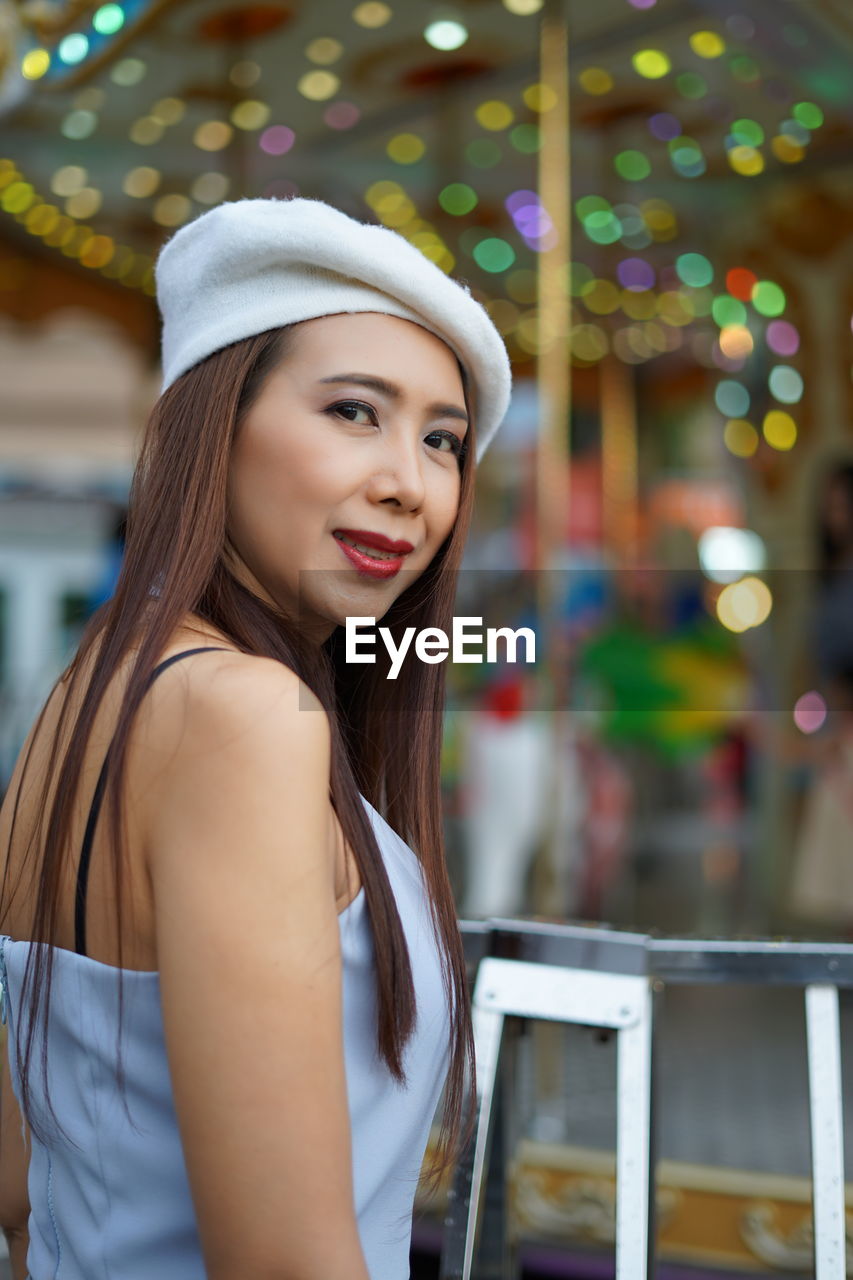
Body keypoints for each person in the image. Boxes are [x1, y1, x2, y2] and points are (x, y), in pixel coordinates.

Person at [0, 197, 511, 1280]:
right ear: (216, 420)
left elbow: (17, 1180)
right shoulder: (241, 721)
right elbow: (284, 1259)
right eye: (354, 412)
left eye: (441, 440)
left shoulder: (84, 700)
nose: (407, 483)